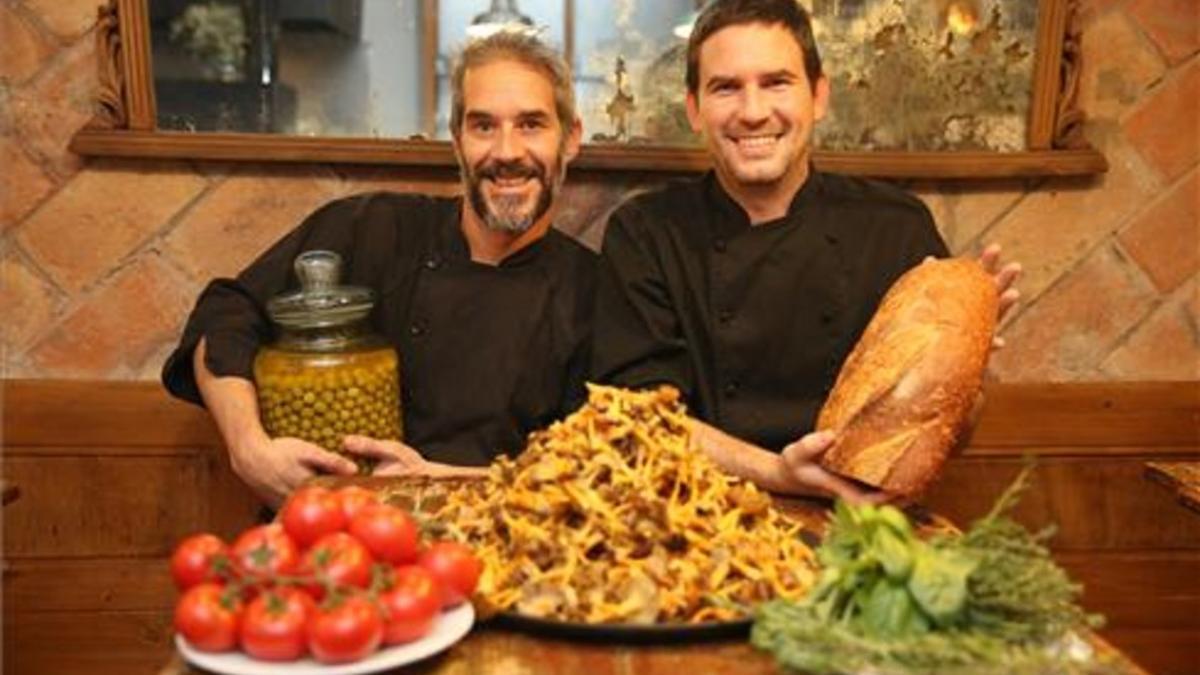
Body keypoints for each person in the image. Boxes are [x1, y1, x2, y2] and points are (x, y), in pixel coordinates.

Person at [591, 0, 1020, 502]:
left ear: (818, 96)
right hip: (701, 523)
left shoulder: (896, 227)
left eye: (776, 83)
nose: (753, 113)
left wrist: (960, 376)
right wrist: (777, 473)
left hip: (864, 526)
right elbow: (640, 419)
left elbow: (948, 438)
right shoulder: (647, 233)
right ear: (694, 110)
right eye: (726, 87)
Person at [162, 31, 594, 507]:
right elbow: (227, 312)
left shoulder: (593, 292)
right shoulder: (373, 227)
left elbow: (584, 474)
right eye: (483, 126)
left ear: (570, 139)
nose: (507, 152)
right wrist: (249, 448)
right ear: (457, 140)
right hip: (337, 532)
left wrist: (434, 483)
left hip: (492, 550)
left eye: (531, 124)